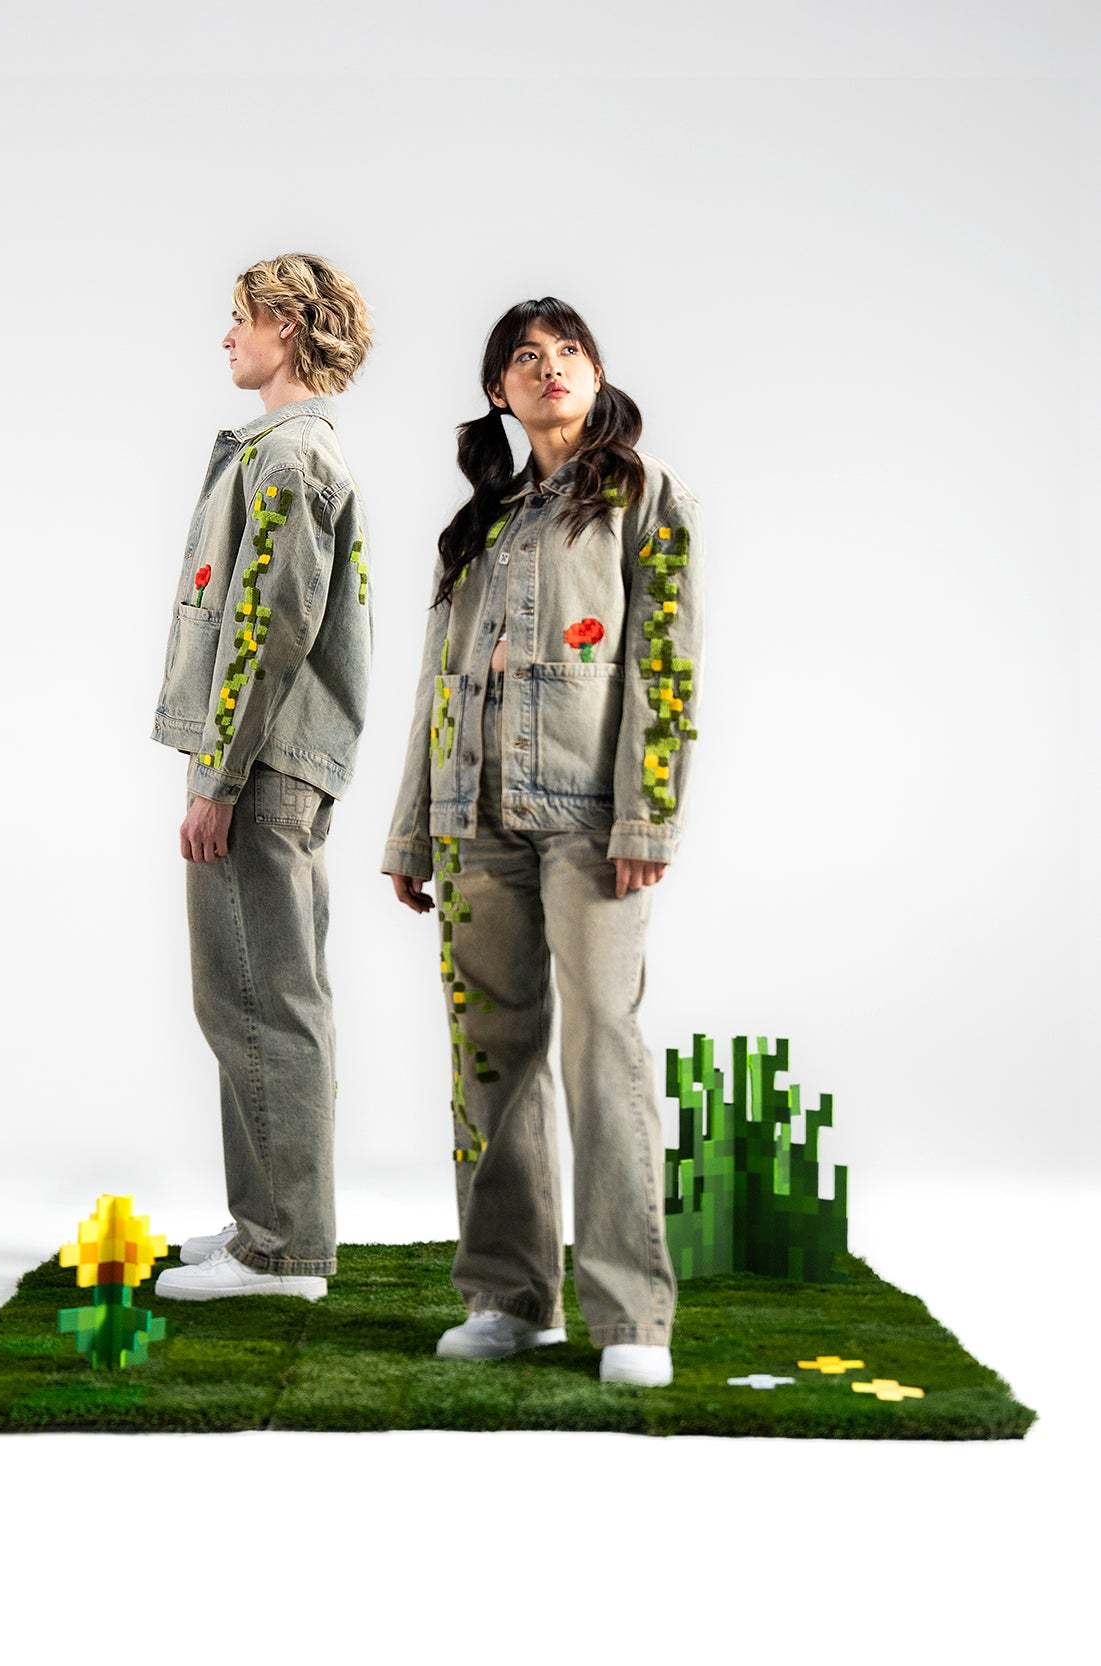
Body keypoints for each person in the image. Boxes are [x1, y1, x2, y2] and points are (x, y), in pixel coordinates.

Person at [381, 296, 705, 1385]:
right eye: (525, 357)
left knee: (601, 1044)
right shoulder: (477, 525)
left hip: (587, 823)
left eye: (568, 351)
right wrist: (412, 829)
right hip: (472, 819)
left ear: (595, 374)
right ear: (498, 391)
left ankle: (630, 1318)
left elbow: (665, 664)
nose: (549, 367)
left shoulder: (642, 496)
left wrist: (646, 812)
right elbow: (437, 684)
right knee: (490, 1056)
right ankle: (511, 1299)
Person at [151, 252, 374, 1302]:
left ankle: (283, 1253)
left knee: (262, 998)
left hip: (261, 766)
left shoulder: (288, 458)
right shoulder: (285, 450)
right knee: (249, 993)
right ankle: (265, 1227)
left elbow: (265, 628)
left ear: (286, 324)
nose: (227, 336)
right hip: (272, 761)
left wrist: (218, 777)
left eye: (239, 317)